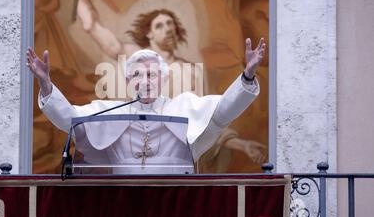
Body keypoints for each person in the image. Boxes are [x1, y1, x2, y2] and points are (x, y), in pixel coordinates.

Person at [26, 35, 266, 174]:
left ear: (164, 78)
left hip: (176, 200)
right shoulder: (112, 112)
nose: (146, 80)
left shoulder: (184, 106)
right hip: (124, 203)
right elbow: (71, 120)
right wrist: (46, 84)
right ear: (129, 81)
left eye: (152, 74)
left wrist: (247, 75)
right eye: (139, 75)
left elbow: (223, 112)